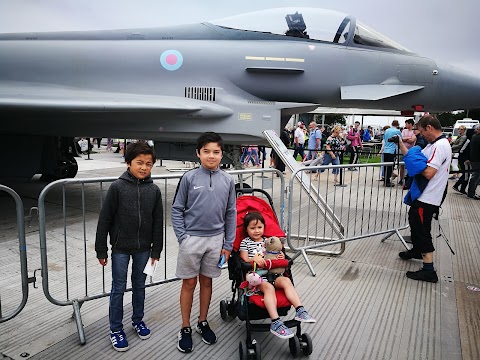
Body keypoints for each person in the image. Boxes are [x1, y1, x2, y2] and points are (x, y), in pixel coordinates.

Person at [95, 142, 163, 352]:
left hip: (144, 249)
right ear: (128, 163)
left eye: (148, 164)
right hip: (120, 248)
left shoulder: (154, 190)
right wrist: (101, 249)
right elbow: (105, 219)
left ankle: (137, 320)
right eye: (139, 163)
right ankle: (115, 329)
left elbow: (158, 222)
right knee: (118, 288)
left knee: (139, 286)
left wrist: (156, 251)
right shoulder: (117, 187)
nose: (144, 167)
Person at [171, 132, 236, 353]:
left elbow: (231, 213)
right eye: (206, 151)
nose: (211, 156)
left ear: (221, 154)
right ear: (198, 153)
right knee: (189, 284)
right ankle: (186, 326)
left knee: (207, 283)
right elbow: (177, 209)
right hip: (191, 240)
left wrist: (228, 245)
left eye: (216, 152)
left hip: (216, 241)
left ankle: (202, 321)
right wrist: (183, 238)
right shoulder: (189, 178)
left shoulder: (228, 180)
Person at [239, 212, 316, 339]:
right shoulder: (245, 242)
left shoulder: (268, 241)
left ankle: (300, 310)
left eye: (259, 227)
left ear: (264, 227)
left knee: (286, 280)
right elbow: (244, 259)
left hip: (274, 274)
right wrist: (253, 259)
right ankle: (275, 322)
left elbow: (277, 253)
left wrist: (280, 256)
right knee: (269, 288)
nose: (256, 231)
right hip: (258, 278)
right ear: (246, 229)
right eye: (252, 228)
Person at [397, 114, 451, 283]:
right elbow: (413, 158)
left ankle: (429, 270)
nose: (420, 135)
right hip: (423, 196)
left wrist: (415, 164)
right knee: (414, 222)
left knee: (422, 231)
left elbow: (428, 172)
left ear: (429, 128)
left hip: (428, 197)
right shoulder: (432, 145)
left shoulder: (440, 146)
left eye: (421, 131)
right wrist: (400, 144)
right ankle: (416, 250)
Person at [453, 128, 474, 195]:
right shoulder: (468, 141)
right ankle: (459, 187)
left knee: (466, 174)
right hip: (464, 160)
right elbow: (462, 150)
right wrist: (465, 158)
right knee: (466, 174)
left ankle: (460, 187)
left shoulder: (469, 140)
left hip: (464, 159)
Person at [382, 120, 402, 187]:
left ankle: (385, 179)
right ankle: (387, 181)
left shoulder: (387, 130)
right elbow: (400, 140)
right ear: (398, 124)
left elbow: (385, 139)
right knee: (391, 166)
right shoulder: (397, 131)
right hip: (392, 150)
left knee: (385, 166)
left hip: (386, 150)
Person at [399, 119, 416, 186]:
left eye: (406, 124)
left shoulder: (414, 131)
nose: (405, 125)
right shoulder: (404, 130)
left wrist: (405, 139)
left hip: (410, 151)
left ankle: (409, 179)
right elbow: (401, 138)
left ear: (410, 124)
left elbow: (412, 140)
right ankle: (401, 179)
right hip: (402, 150)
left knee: (409, 165)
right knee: (401, 165)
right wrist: (408, 138)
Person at [466, 124, 480, 199]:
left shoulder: (474, 137)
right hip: (477, 159)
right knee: (476, 177)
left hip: (473, 159)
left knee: (475, 176)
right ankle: (471, 192)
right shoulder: (478, 138)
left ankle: (471, 192)